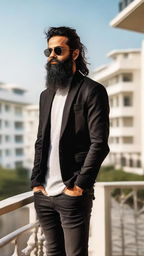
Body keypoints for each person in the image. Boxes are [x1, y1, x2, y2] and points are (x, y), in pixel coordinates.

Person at [30, 26, 110, 256]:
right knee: (52, 253)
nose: (52, 56)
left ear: (74, 54)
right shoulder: (46, 95)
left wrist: (79, 186)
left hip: (72, 193)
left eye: (58, 50)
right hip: (44, 195)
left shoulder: (92, 91)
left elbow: (99, 143)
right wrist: (36, 182)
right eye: (49, 52)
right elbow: (41, 141)